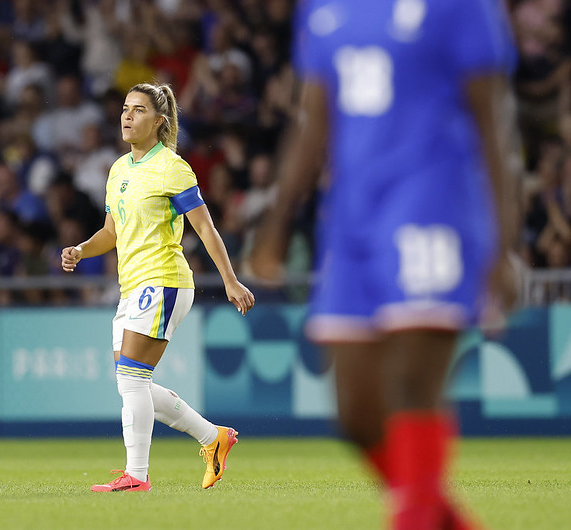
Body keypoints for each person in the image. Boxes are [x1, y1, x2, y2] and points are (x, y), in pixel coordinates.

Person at [250, 0, 518, 528]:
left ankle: (413, 517)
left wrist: (503, 243)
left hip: (432, 205)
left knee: (412, 387)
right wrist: (277, 218)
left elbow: (494, 124)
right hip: (351, 219)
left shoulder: (461, 7)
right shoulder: (322, 9)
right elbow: (314, 118)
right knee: (356, 412)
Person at [62, 82, 255, 492]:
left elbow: (205, 227)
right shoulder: (118, 170)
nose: (128, 116)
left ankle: (137, 475)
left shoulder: (172, 167)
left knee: (131, 379)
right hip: (132, 286)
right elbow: (110, 232)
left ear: (159, 122)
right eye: (125, 108)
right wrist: (81, 249)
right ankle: (213, 438)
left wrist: (230, 279)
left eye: (139, 110)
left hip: (164, 280)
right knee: (133, 382)